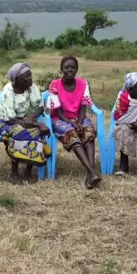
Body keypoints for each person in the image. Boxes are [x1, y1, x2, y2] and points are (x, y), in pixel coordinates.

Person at [0, 62, 51, 184]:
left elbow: (40, 107)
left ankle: (28, 171)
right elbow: (10, 118)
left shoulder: (31, 86)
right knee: (18, 132)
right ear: (16, 80)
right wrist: (36, 123)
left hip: (25, 118)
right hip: (3, 120)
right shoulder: (8, 90)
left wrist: (32, 117)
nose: (30, 78)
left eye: (30, 75)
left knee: (35, 132)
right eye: (27, 76)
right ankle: (14, 172)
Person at [47, 56, 101, 189]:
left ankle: (91, 174)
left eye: (73, 67)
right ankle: (92, 171)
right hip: (59, 119)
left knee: (89, 131)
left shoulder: (83, 84)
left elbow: (83, 107)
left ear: (77, 69)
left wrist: (80, 122)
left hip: (79, 117)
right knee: (72, 133)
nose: (70, 70)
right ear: (61, 69)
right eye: (66, 67)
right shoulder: (54, 85)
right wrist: (73, 124)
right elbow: (58, 112)